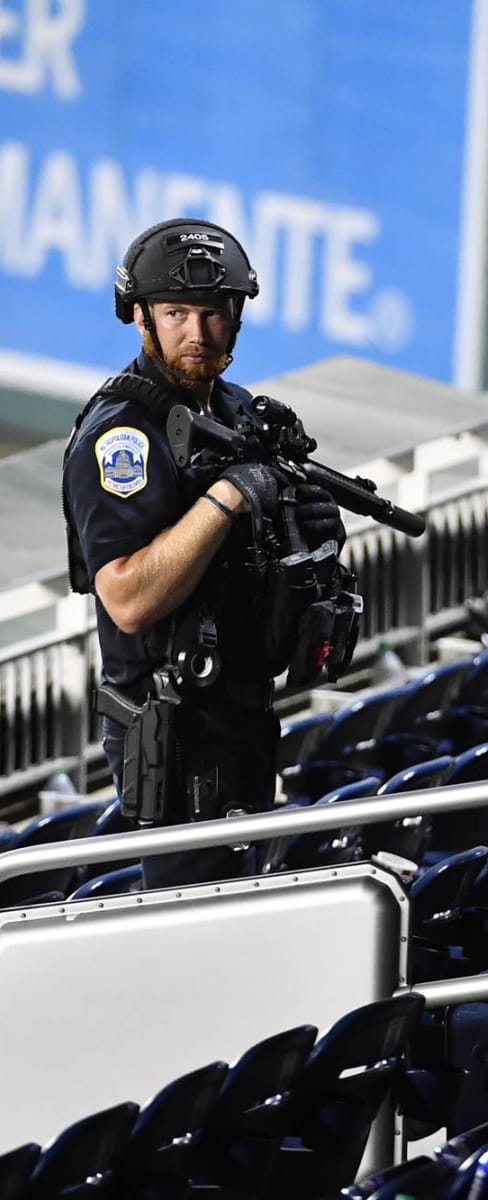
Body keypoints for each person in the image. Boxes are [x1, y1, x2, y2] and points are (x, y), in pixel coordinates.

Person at [62, 218, 346, 888]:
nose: (198, 333)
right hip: (175, 729)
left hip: (246, 709)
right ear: (141, 318)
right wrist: (227, 499)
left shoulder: (241, 413)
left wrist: (315, 534)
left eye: (214, 314)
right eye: (176, 314)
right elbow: (128, 599)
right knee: (193, 924)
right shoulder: (122, 437)